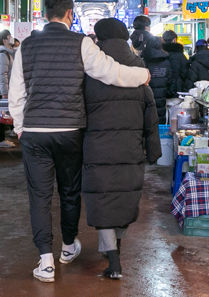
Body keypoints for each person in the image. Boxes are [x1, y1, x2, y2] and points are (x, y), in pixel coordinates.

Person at [8, 0, 151, 283]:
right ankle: (68, 246)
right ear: (70, 14)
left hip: (35, 132)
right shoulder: (81, 43)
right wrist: (143, 75)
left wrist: (20, 127)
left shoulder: (27, 46)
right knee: (69, 191)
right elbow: (111, 73)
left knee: (39, 196)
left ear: (46, 13)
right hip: (70, 131)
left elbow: (16, 91)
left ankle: (46, 261)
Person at [82, 18, 162, 280]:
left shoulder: (89, 70)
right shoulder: (139, 70)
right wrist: (153, 152)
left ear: (99, 39)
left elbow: (78, 111)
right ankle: (117, 244)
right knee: (125, 197)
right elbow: (151, 117)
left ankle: (113, 258)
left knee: (103, 198)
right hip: (131, 148)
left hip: (97, 148)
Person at [141, 34, 177, 121]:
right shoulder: (166, 61)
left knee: (148, 121)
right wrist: (169, 93)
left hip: (146, 99)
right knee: (159, 122)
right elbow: (170, 80)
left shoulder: (143, 61)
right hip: (162, 99)